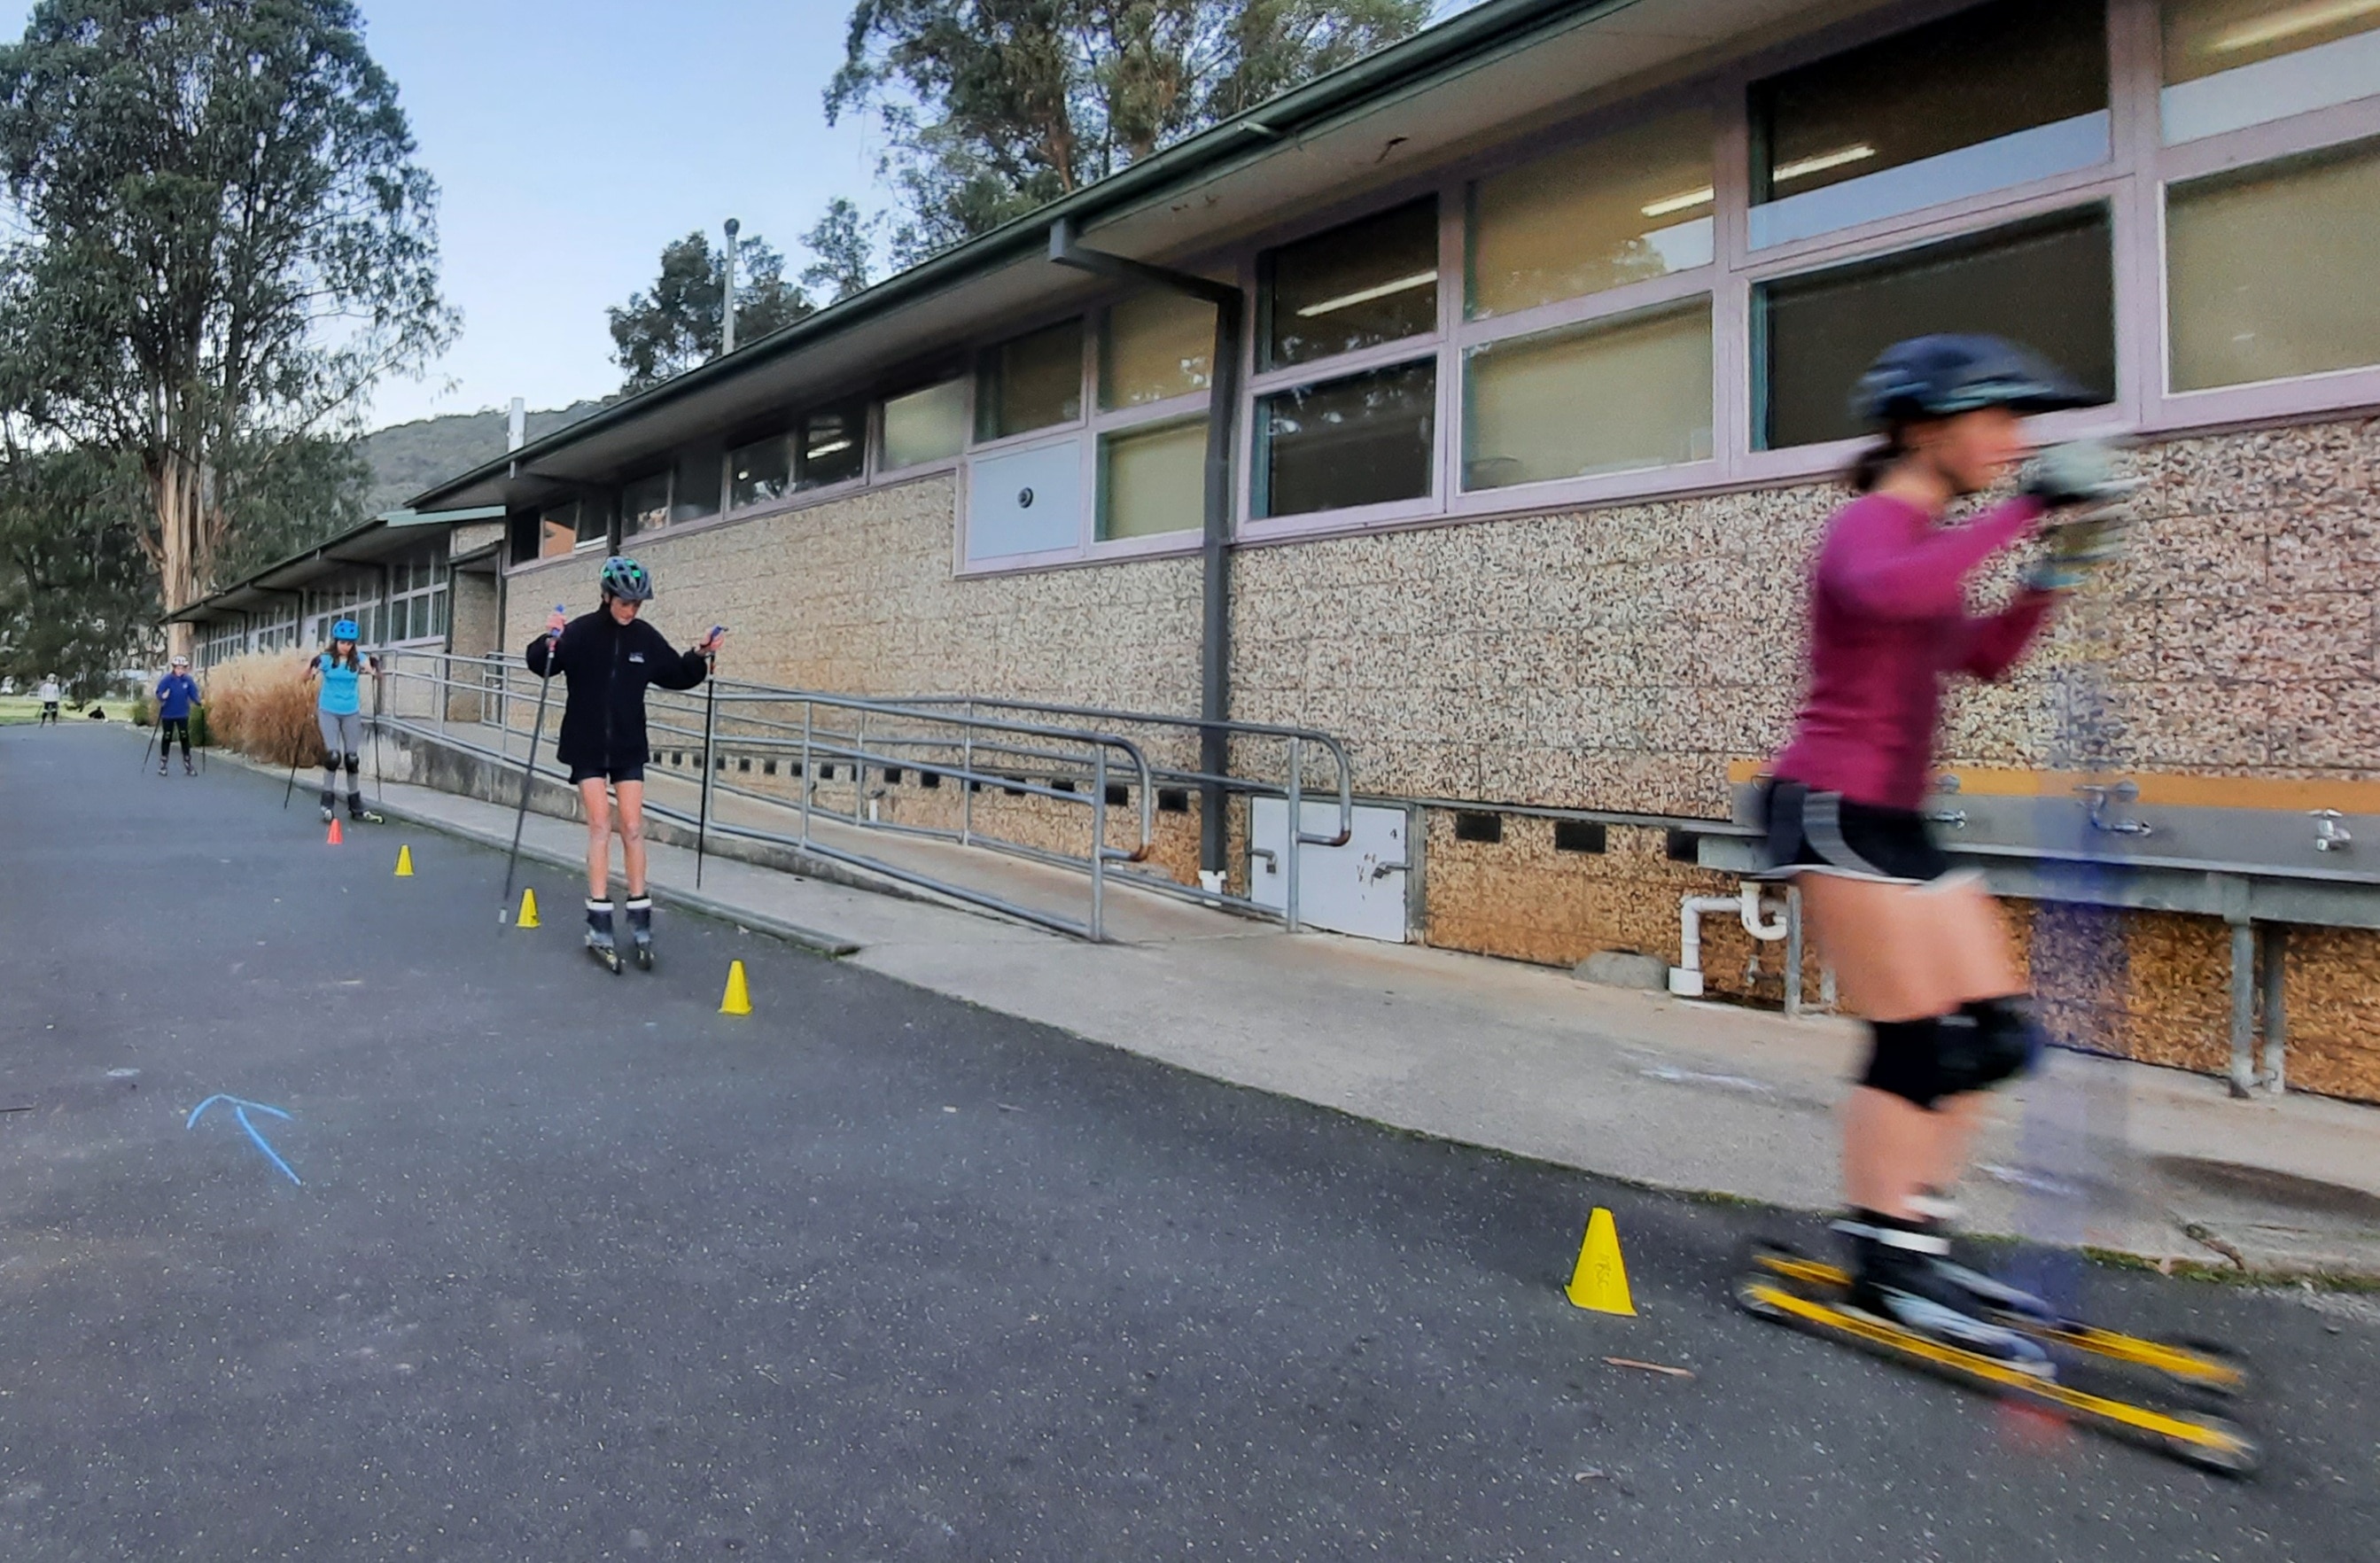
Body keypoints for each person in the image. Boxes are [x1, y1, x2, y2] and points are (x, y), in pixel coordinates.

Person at [1757, 335, 2133, 1369]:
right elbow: (1887, 598)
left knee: (1993, 1037)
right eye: (1997, 421)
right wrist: (2024, 514)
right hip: (1834, 807)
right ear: (1928, 428)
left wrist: (2051, 571)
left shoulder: (1921, 542)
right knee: (1919, 1044)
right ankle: (1886, 1265)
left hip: (1897, 818)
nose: (2014, 444)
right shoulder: (1868, 527)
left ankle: (1911, 1237)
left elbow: (1986, 656)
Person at [524, 556, 722, 966]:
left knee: (632, 826)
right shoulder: (581, 632)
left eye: (637, 604)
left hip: (629, 744)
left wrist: (700, 654)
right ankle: (598, 918)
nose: (631, 610)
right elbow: (543, 664)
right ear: (607, 596)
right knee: (601, 824)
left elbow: (677, 673)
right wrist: (549, 639)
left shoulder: (644, 638)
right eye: (625, 602)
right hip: (587, 744)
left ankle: (639, 915)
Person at [305, 620, 383, 825]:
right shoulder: (327, 659)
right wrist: (311, 669)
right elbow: (307, 675)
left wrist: (374, 668)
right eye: (342, 642)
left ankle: (356, 804)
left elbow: (370, 668)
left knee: (352, 759)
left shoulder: (358, 659)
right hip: (328, 710)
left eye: (349, 643)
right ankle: (327, 802)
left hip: (351, 712)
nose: (345, 646)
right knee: (333, 756)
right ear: (336, 641)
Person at [153, 656, 202, 775]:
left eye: (182, 668)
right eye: (178, 668)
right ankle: (163, 763)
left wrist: (199, 702)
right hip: (168, 714)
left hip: (182, 713)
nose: (180, 671)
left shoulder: (188, 680)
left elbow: (193, 694)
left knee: (184, 737)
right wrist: (162, 696)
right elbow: (159, 692)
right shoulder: (167, 679)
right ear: (174, 668)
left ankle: (188, 763)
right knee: (167, 737)